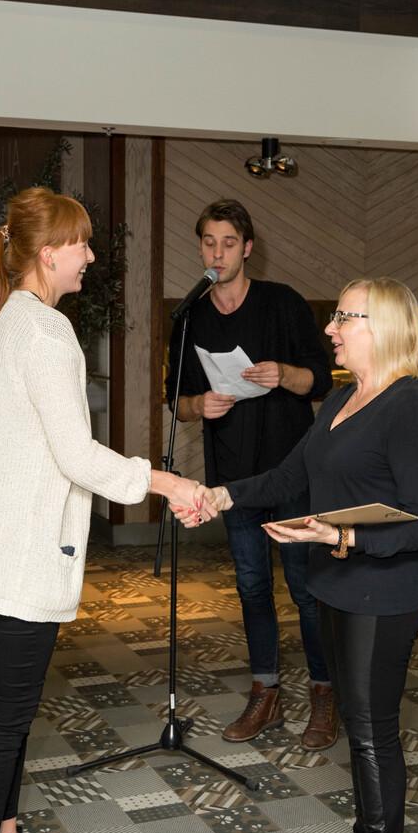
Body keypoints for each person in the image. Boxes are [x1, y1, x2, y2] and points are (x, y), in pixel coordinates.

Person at [0, 187, 213, 833]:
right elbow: (76, 455)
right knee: (7, 719)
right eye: (82, 243)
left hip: (12, 543)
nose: (91, 256)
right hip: (24, 550)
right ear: (48, 252)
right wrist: (168, 482)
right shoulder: (44, 331)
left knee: (15, 713)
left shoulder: (15, 321)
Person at [179, 277, 418, 833]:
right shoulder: (344, 398)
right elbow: (289, 475)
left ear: (382, 327)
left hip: (383, 595)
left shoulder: (410, 404)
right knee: (358, 728)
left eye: (344, 318)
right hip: (338, 587)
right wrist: (220, 496)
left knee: (374, 735)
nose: (330, 329)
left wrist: (343, 535)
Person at [166, 199, 336, 749]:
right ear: (200, 247)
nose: (218, 253)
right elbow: (176, 402)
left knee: (306, 589)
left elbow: (321, 380)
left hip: (293, 472)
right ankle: (266, 692)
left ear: (248, 249)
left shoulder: (282, 303)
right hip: (232, 479)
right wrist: (200, 406)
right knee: (252, 586)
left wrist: (284, 373)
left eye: (228, 243)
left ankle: (325, 692)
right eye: (209, 243)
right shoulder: (190, 316)